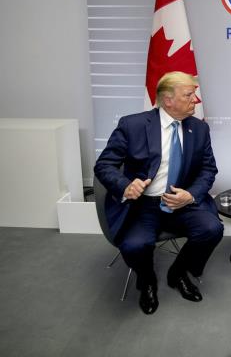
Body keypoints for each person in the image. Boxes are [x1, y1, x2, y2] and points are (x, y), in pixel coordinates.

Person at [94, 71, 223, 315]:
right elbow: (104, 165)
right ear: (168, 100)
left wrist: (191, 195)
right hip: (143, 205)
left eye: (194, 94)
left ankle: (179, 272)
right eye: (189, 95)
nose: (196, 100)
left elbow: (208, 169)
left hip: (181, 202)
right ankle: (147, 281)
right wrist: (125, 185)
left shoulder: (199, 129)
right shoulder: (133, 125)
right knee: (134, 246)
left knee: (212, 229)